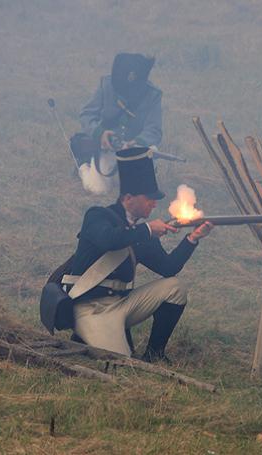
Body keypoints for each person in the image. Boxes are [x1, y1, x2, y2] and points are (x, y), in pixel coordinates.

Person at [55, 147, 212, 362]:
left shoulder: (141, 231)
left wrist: (192, 238)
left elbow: (168, 268)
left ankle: (155, 354)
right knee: (123, 364)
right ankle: (85, 334)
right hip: (89, 309)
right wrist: (147, 230)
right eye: (148, 198)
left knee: (176, 288)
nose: (154, 203)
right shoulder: (98, 216)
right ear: (128, 198)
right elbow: (108, 239)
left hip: (121, 304)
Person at [71, 53, 163, 194]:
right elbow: (87, 114)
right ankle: (83, 165)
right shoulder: (106, 85)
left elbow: (154, 130)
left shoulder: (153, 95)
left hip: (137, 151)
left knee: (140, 191)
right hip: (107, 149)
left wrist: (137, 142)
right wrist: (100, 133)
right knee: (98, 190)